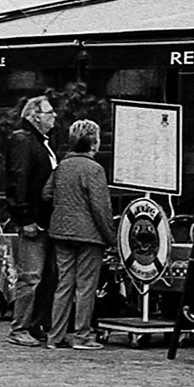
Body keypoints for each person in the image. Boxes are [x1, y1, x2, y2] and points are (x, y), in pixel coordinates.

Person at [42, 119, 116, 352]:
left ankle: (55, 335)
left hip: (61, 232)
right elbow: (100, 208)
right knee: (86, 286)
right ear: (94, 143)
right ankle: (82, 335)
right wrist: (110, 238)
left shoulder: (62, 166)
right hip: (89, 234)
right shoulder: (94, 169)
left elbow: (46, 194)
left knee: (64, 284)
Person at [2, 96, 58, 347]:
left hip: (45, 219)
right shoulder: (24, 141)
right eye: (49, 112)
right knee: (31, 276)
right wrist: (25, 218)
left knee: (46, 275)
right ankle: (20, 327)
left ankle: (35, 323)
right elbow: (18, 181)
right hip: (35, 219)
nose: (54, 116)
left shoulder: (39, 143)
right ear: (35, 116)